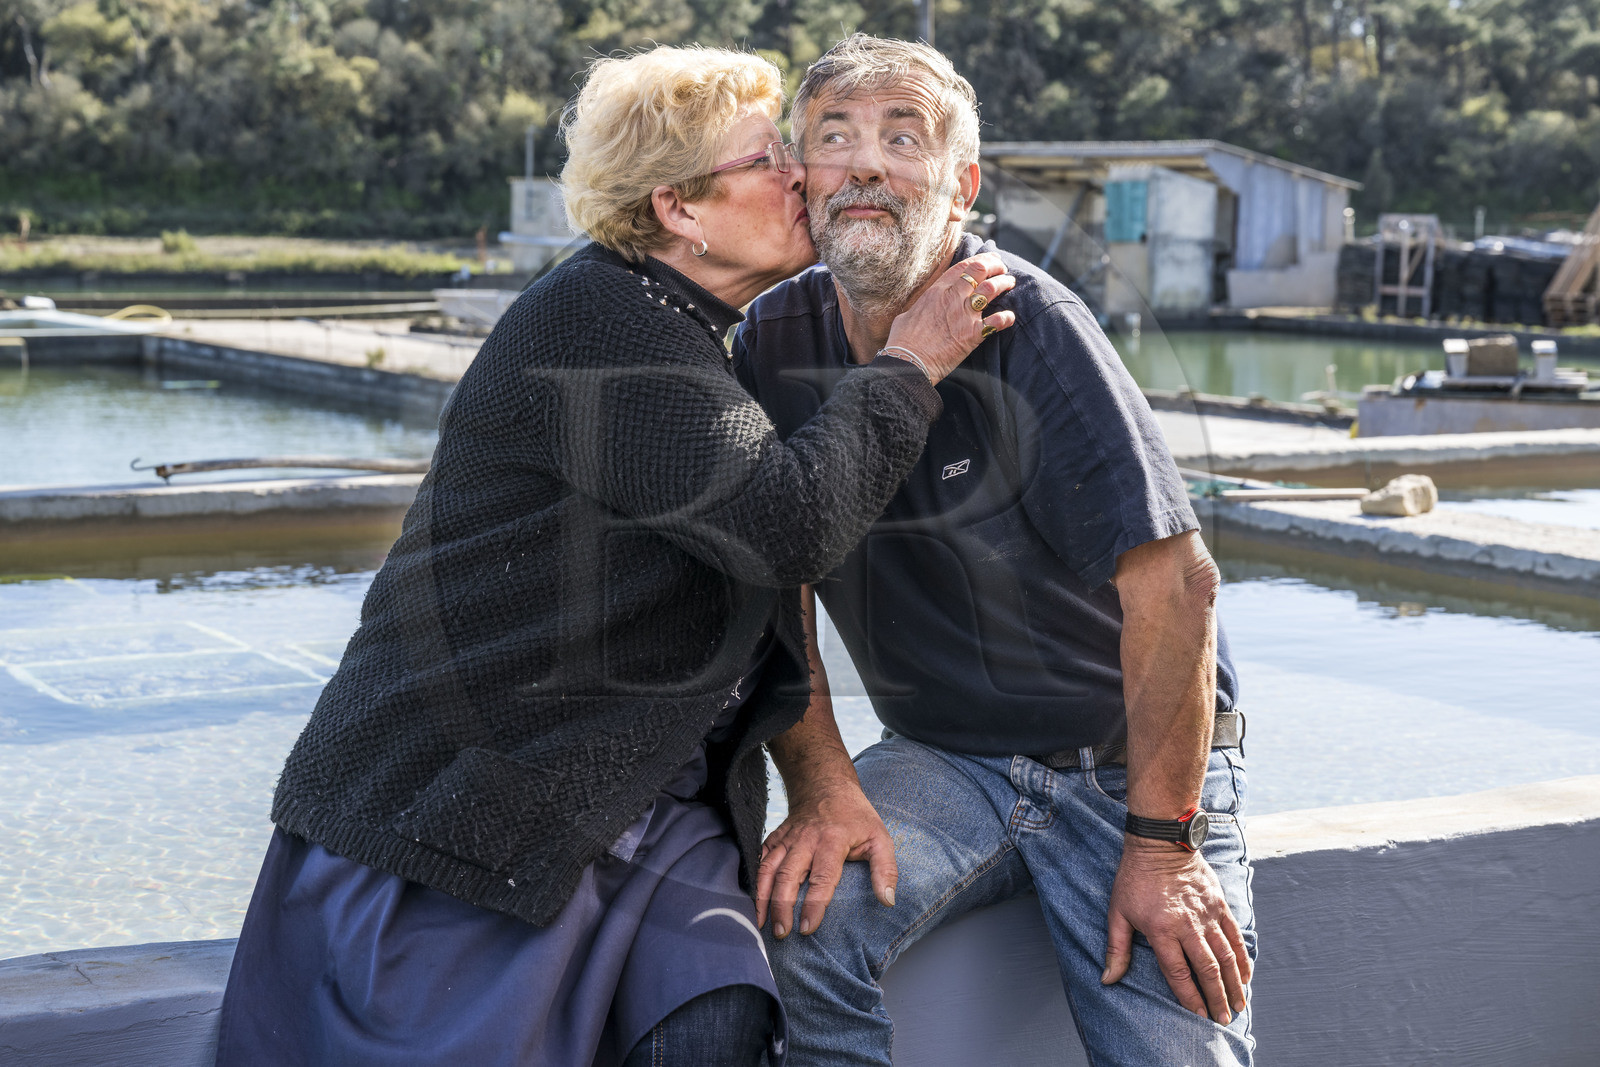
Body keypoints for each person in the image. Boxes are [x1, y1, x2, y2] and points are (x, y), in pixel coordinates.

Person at [213, 44, 1017, 1067]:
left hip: (632, 795)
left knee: (719, 1014)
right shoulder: (597, 320)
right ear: (679, 207)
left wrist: (820, 782)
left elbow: (763, 573)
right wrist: (911, 363)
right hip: (463, 811)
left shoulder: (687, 330)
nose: (801, 177)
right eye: (769, 159)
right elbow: (783, 526)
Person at [733, 35, 1256, 1066]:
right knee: (800, 932)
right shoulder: (770, 343)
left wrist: (1162, 845)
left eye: (902, 135)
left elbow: (1177, 587)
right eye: (834, 136)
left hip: (1127, 775)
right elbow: (773, 580)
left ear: (962, 183)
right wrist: (825, 782)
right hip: (944, 759)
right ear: (800, 177)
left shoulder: (1033, 325)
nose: (867, 163)